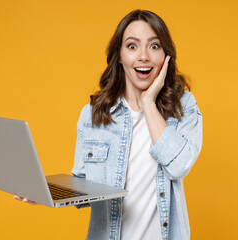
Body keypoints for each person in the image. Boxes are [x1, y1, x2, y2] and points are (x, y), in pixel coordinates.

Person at [15, 9, 202, 240]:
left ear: (166, 55)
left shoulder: (183, 106)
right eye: (132, 46)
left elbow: (180, 165)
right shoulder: (94, 113)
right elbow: (85, 186)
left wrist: (148, 103)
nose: (143, 56)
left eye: (154, 46)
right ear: (120, 55)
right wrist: (45, 192)